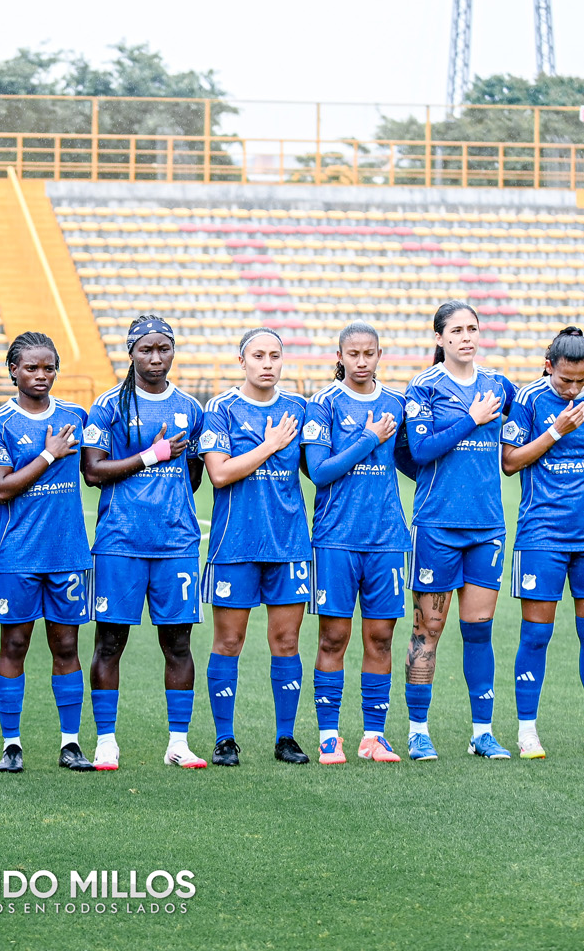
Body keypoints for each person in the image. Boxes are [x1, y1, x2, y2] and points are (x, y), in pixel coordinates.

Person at [82, 314, 206, 771]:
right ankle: (106, 742)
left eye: (163, 348)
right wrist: (150, 456)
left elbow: (193, 474)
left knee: (178, 644)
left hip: (176, 542)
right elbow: (93, 471)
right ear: (130, 353)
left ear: (173, 351)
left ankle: (178, 743)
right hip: (120, 541)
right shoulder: (108, 406)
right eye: (146, 349)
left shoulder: (191, 408)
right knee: (109, 643)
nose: (156, 357)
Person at [502, 326, 584, 759]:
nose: (573, 389)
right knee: (536, 635)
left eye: (582, 380)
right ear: (548, 366)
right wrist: (555, 431)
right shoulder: (529, 400)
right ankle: (527, 731)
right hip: (542, 534)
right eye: (565, 379)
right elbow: (510, 462)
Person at [401, 301, 516, 761]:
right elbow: (419, 450)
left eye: (472, 328)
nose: (466, 337)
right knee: (427, 629)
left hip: (487, 526)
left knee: (479, 630)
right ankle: (417, 731)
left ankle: (482, 733)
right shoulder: (424, 387)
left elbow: (544, 397)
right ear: (440, 338)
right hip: (437, 525)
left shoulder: (499, 385)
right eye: (456, 330)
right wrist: (472, 418)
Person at [0, 332, 95, 773]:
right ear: (14, 370)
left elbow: (95, 468)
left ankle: (70, 743)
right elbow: (2, 487)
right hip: (18, 554)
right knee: (14, 644)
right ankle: (11, 744)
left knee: (67, 646)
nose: (41, 375)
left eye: (49, 367)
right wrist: (48, 454)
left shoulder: (75, 416)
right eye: (31, 367)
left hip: (67, 552)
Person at [199, 328, 312, 766]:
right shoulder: (221, 409)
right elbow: (219, 474)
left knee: (286, 641)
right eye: (258, 355)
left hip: (288, 543)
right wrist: (269, 445)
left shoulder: (299, 409)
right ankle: (225, 739)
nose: (267, 363)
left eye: (275, 355)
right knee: (229, 641)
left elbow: (319, 466)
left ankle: (286, 738)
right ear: (241, 361)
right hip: (236, 545)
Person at [302, 321, 413, 764]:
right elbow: (320, 471)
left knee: (381, 638)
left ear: (379, 355)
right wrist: (370, 438)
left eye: (369, 354)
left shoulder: (397, 403)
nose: (362, 361)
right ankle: (329, 736)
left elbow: (414, 459)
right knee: (333, 637)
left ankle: (374, 736)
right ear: (340, 356)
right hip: (336, 537)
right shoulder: (323, 404)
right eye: (354, 354)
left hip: (386, 537)